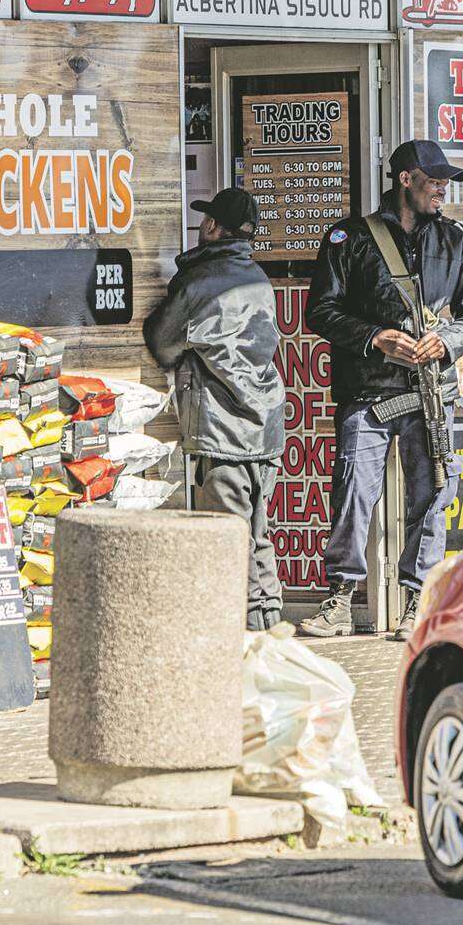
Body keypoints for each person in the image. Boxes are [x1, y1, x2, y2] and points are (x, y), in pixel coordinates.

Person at [298, 140, 463, 640]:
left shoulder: (456, 241)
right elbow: (320, 311)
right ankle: (339, 600)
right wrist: (374, 337)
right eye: (435, 179)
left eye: (447, 180)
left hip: (430, 392)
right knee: (352, 495)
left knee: (432, 499)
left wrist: (443, 343)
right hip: (367, 391)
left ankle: (418, 604)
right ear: (406, 179)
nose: (443, 188)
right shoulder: (349, 238)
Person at [143, 187, 286, 631]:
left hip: (223, 434)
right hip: (264, 428)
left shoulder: (198, 282)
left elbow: (162, 344)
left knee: (227, 540)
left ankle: (242, 639)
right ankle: (269, 627)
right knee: (257, 537)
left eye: (204, 220)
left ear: (212, 226)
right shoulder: (256, 278)